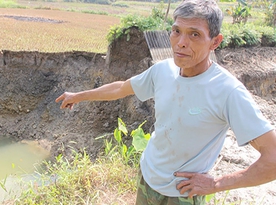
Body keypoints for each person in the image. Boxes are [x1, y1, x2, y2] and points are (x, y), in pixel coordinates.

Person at [55, 0, 276, 204]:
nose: (181, 43)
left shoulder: (228, 91)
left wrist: (217, 184)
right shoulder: (163, 70)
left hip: (182, 195)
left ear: (215, 42)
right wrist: (78, 95)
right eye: (176, 31)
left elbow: (273, 159)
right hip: (147, 178)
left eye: (195, 35)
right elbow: (122, 88)